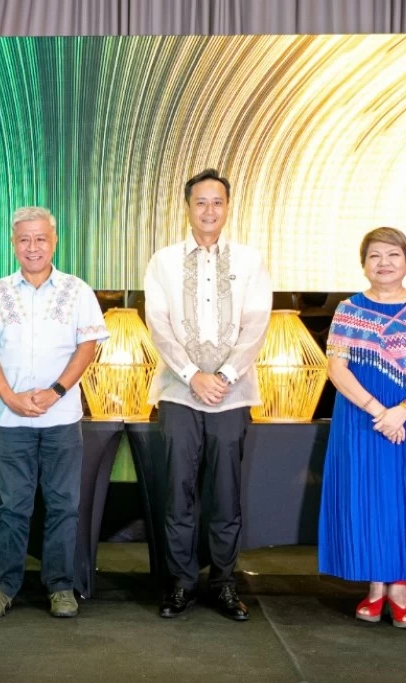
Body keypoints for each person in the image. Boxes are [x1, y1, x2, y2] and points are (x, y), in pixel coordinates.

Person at [144, 168, 272, 621]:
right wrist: (191, 374)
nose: (209, 210)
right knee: (178, 493)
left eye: (217, 202)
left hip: (232, 396)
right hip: (180, 394)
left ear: (227, 207)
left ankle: (223, 584)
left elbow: (256, 324)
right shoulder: (163, 261)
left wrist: (226, 375)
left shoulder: (250, 261)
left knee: (225, 495)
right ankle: (180, 584)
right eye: (201, 202)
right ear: (187, 207)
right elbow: (158, 325)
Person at [0, 206, 108, 620]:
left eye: (40, 239)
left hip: (61, 418)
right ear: (13, 243)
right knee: (14, 507)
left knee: (64, 504)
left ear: (54, 241)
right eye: (24, 239)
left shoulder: (78, 290)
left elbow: (88, 347)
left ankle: (60, 586)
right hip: (10, 419)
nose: (33, 247)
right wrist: (10, 396)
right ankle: (2, 586)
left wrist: (56, 391)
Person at [318, 227, 406, 629]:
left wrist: (404, 410)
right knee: (370, 498)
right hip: (362, 418)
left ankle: (401, 591)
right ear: (363, 265)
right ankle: (375, 589)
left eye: (393, 255)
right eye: (375, 256)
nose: (384, 263)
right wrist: (381, 411)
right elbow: (336, 368)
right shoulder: (348, 309)